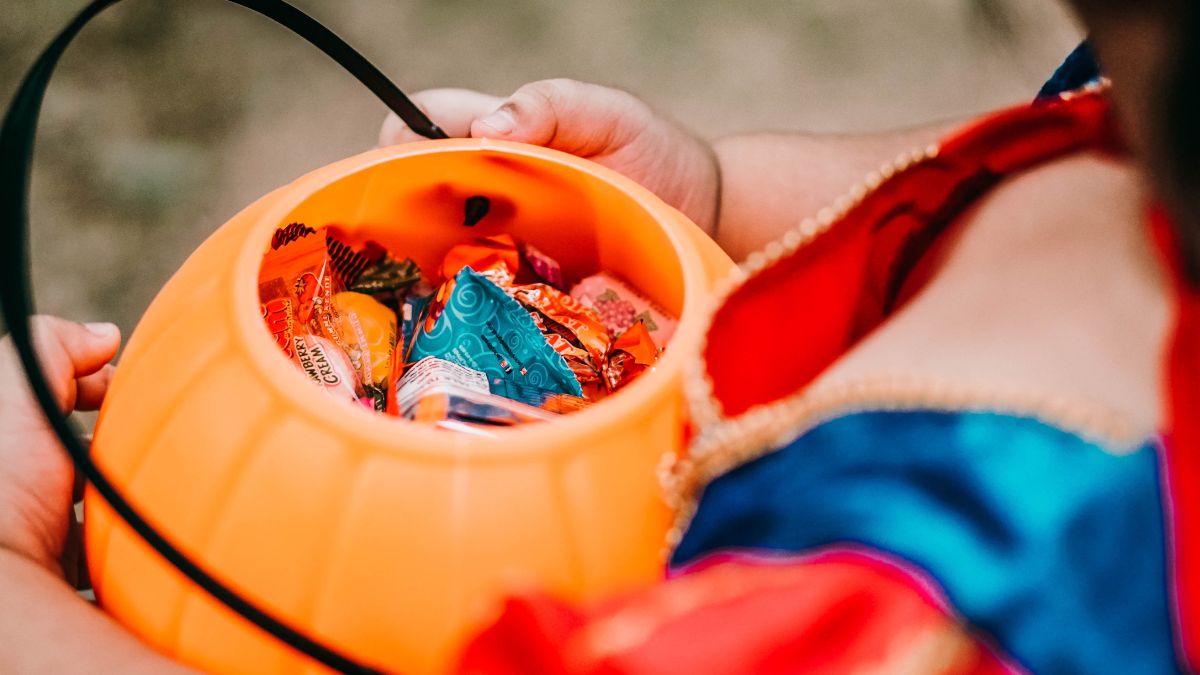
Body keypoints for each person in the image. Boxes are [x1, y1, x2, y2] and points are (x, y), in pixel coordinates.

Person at [1, 1, 1195, 673]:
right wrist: (720, 195)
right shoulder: (1145, 133)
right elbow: (1012, 158)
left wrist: (12, 584)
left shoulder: (911, 619)